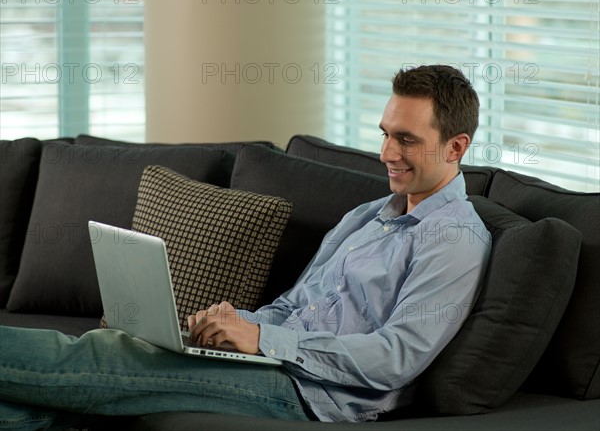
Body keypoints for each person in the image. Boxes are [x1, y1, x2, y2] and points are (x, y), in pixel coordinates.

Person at [0, 65, 491, 428]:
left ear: (456, 147)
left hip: (313, 396)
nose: (386, 154)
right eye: (385, 135)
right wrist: (232, 325)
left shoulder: (455, 240)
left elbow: (396, 357)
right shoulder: (367, 215)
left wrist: (262, 342)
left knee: (104, 358)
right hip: (271, 362)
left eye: (406, 140)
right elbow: (292, 306)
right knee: (110, 353)